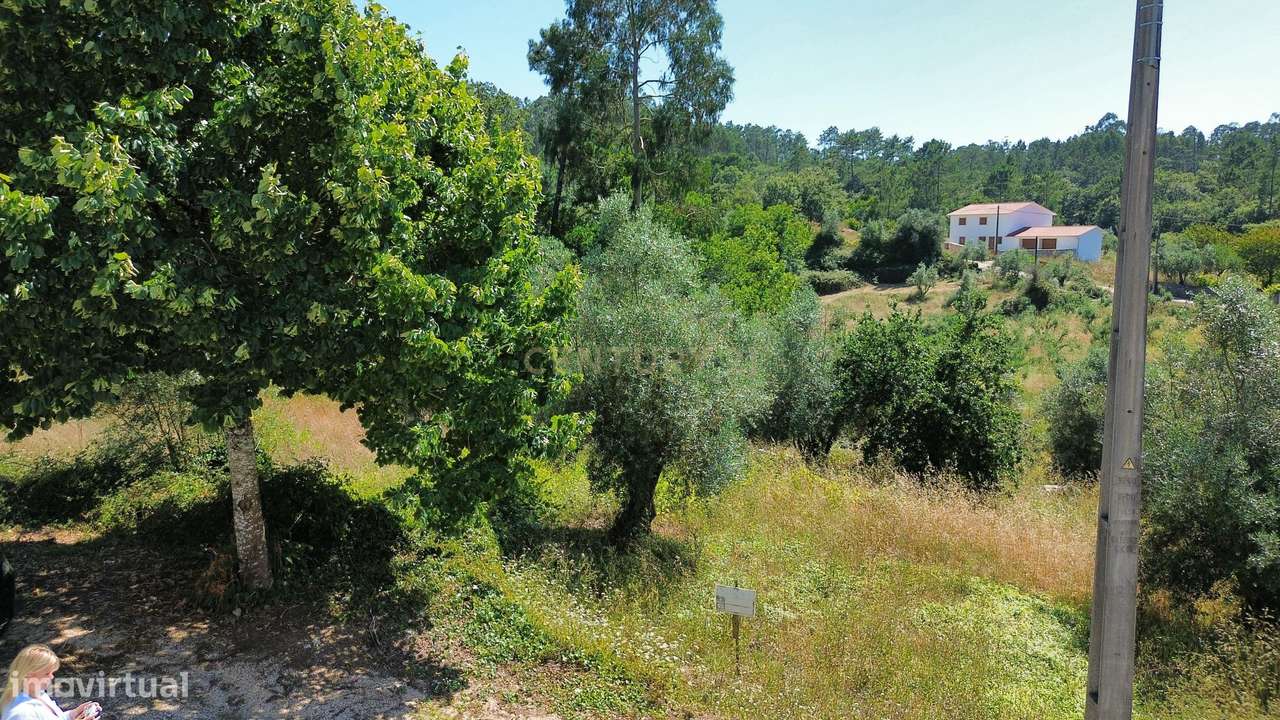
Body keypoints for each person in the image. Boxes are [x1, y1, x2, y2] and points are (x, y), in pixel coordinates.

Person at [1, 645, 99, 720]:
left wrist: (73, 714)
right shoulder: (21, 713)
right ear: (28, 674)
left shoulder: (39, 694)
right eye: (47, 673)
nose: (52, 677)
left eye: (52, 672)